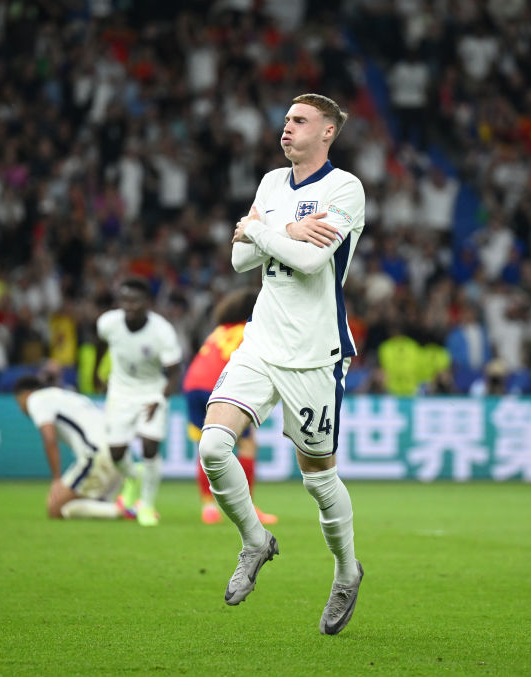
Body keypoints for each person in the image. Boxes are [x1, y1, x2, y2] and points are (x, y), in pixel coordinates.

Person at [197, 93, 364, 635]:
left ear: (327, 133)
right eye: (286, 120)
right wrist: (283, 233)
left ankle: (345, 569)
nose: (285, 128)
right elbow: (238, 257)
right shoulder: (271, 183)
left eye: (299, 121)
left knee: (318, 480)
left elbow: (313, 261)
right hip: (260, 342)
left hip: (315, 355)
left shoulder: (345, 189)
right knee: (213, 446)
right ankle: (254, 539)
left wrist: (268, 233)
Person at [182, 287, 277, 525]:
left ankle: (208, 508)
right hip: (219, 385)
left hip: (193, 384)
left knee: (206, 446)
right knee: (247, 444)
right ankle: (248, 508)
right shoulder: (252, 329)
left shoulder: (218, 331)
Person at [94, 277, 183, 527]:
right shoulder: (109, 323)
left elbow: (174, 371)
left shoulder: (161, 330)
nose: (129, 305)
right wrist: (96, 373)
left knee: (149, 447)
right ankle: (132, 478)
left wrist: (160, 399)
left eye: (135, 300)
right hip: (120, 392)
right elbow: (101, 343)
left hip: (152, 391)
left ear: (148, 303)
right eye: (125, 300)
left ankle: (147, 505)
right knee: (116, 453)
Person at [13, 376, 129, 520]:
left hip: (97, 454)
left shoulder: (36, 399)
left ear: (25, 394)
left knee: (55, 509)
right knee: (86, 504)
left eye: (19, 402)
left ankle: (124, 510)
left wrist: (56, 479)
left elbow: (49, 438)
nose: (20, 408)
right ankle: (117, 508)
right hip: (119, 453)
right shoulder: (65, 397)